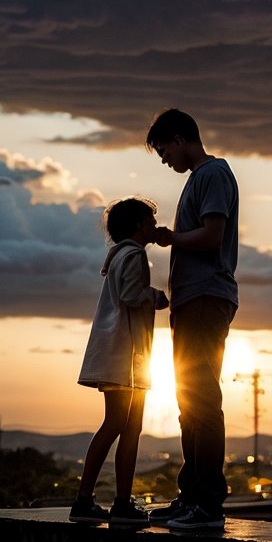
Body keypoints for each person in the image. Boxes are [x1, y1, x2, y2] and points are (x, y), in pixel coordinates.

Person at [145, 107, 239, 531]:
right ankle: (191, 497)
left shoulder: (212, 174)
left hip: (206, 297)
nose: (164, 159)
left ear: (181, 138)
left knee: (202, 399)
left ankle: (207, 505)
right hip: (190, 300)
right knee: (189, 403)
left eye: (164, 149)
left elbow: (212, 235)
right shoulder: (195, 181)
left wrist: (171, 238)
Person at [71, 196, 168, 525]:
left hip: (127, 357)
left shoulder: (120, 255)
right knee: (119, 425)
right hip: (124, 356)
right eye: (151, 222)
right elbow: (130, 295)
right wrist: (155, 296)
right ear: (139, 225)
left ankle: (118, 502)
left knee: (129, 427)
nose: (155, 226)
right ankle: (88, 500)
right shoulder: (135, 255)